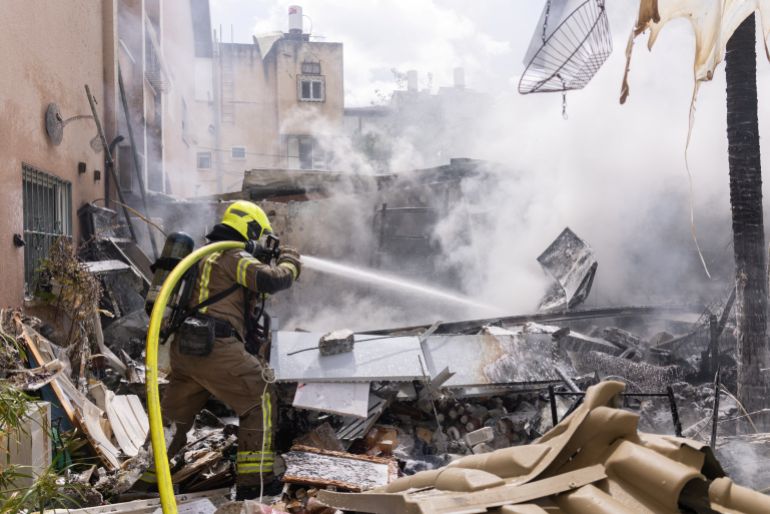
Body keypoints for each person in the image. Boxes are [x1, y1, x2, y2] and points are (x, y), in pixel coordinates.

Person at [137, 200, 301, 500]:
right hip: (216, 348)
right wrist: (291, 261)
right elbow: (270, 279)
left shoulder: (202, 256)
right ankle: (255, 481)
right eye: (258, 234)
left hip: (186, 352)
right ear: (248, 228)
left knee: (173, 421)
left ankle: (143, 481)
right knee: (260, 393)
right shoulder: (232, 255)